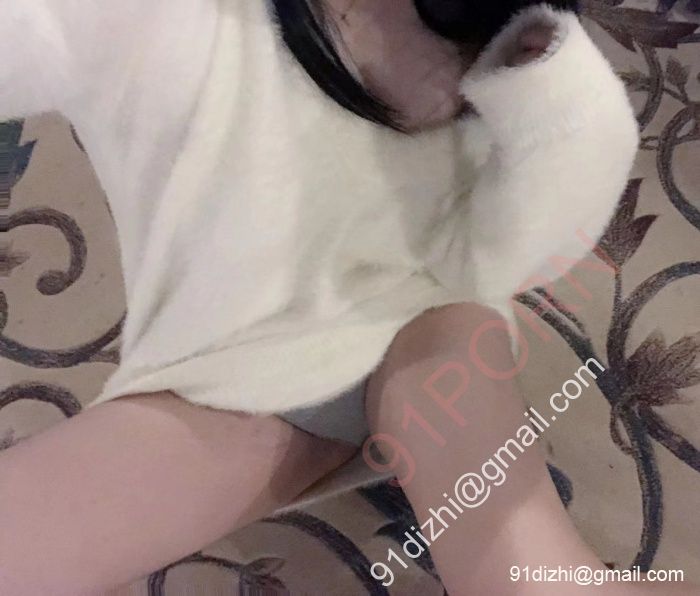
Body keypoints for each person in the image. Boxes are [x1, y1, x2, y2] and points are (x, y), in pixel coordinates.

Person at [1, 1, 678, 594]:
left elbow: (510, 257)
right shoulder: (161, 22)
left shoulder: (493, 28)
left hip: (431, 322)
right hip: (228, 378)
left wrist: (553, 95)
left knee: (534, 578)